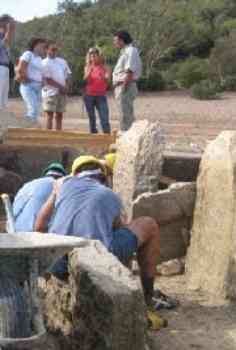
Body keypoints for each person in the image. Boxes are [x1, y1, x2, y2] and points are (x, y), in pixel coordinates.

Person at [35, 156, 177, 315]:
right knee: (148, 225)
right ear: (103, 177)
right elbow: (120, 231)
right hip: (95, 263)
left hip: (57, 262)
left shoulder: (63, 188)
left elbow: (39, 226)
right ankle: (148, 298)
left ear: (74, 174)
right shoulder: (110, 195)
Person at [13, 162, 67, 232]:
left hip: (21, 230)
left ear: (46, 174)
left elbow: (15, 210)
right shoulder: (64, 187)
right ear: (62, 176)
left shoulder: (29, 184)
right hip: (46, 234)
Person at [112, 31, 142, 131]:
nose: (114, 43)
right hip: (121, 86)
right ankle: (127, 135)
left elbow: (130, 70)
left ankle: (127, 136)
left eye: (115, 40)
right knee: (124, 113)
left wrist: (124, 86)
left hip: (125, 86)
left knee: (126, 115)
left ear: (121, 40)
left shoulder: (131, 50)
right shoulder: (124, 51)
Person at [16, 38, 47, 125]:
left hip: (38, 87)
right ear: (35, 46)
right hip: (29, 86)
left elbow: (40, 72)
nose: (44, 48)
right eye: (42, 46)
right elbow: (20, 67)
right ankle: (27, 127)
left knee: (36, 109)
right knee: (33, 108)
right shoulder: (28, 54)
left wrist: (43, 82)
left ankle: (30, 126)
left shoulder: (39, 59)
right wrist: (25, 78)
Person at [42, 42, 72, 131]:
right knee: (49, 114)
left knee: (60, 115)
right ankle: (48, 136)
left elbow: (68, 74)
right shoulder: (44, 63)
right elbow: (48, 79)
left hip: (62, 92)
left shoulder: (62, 61)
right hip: (50, 92)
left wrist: (67, 86)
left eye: (56, 50)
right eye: (53, 49)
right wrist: (61, 87)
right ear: (46, 50)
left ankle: (58, 135)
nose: (55, 51)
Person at [83, 48, 111, 134]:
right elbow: (86, 80)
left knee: (104, 118)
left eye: (95, 55)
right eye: (91, 56)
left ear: (100, 56)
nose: (93, 57)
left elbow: (108, 80)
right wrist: (89, 72)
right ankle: (93, 137)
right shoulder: (87, 67)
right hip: (89, 96)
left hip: (101, 96)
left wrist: (103, 76)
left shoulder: (106, 67)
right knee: (92, 118)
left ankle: (106, 136)